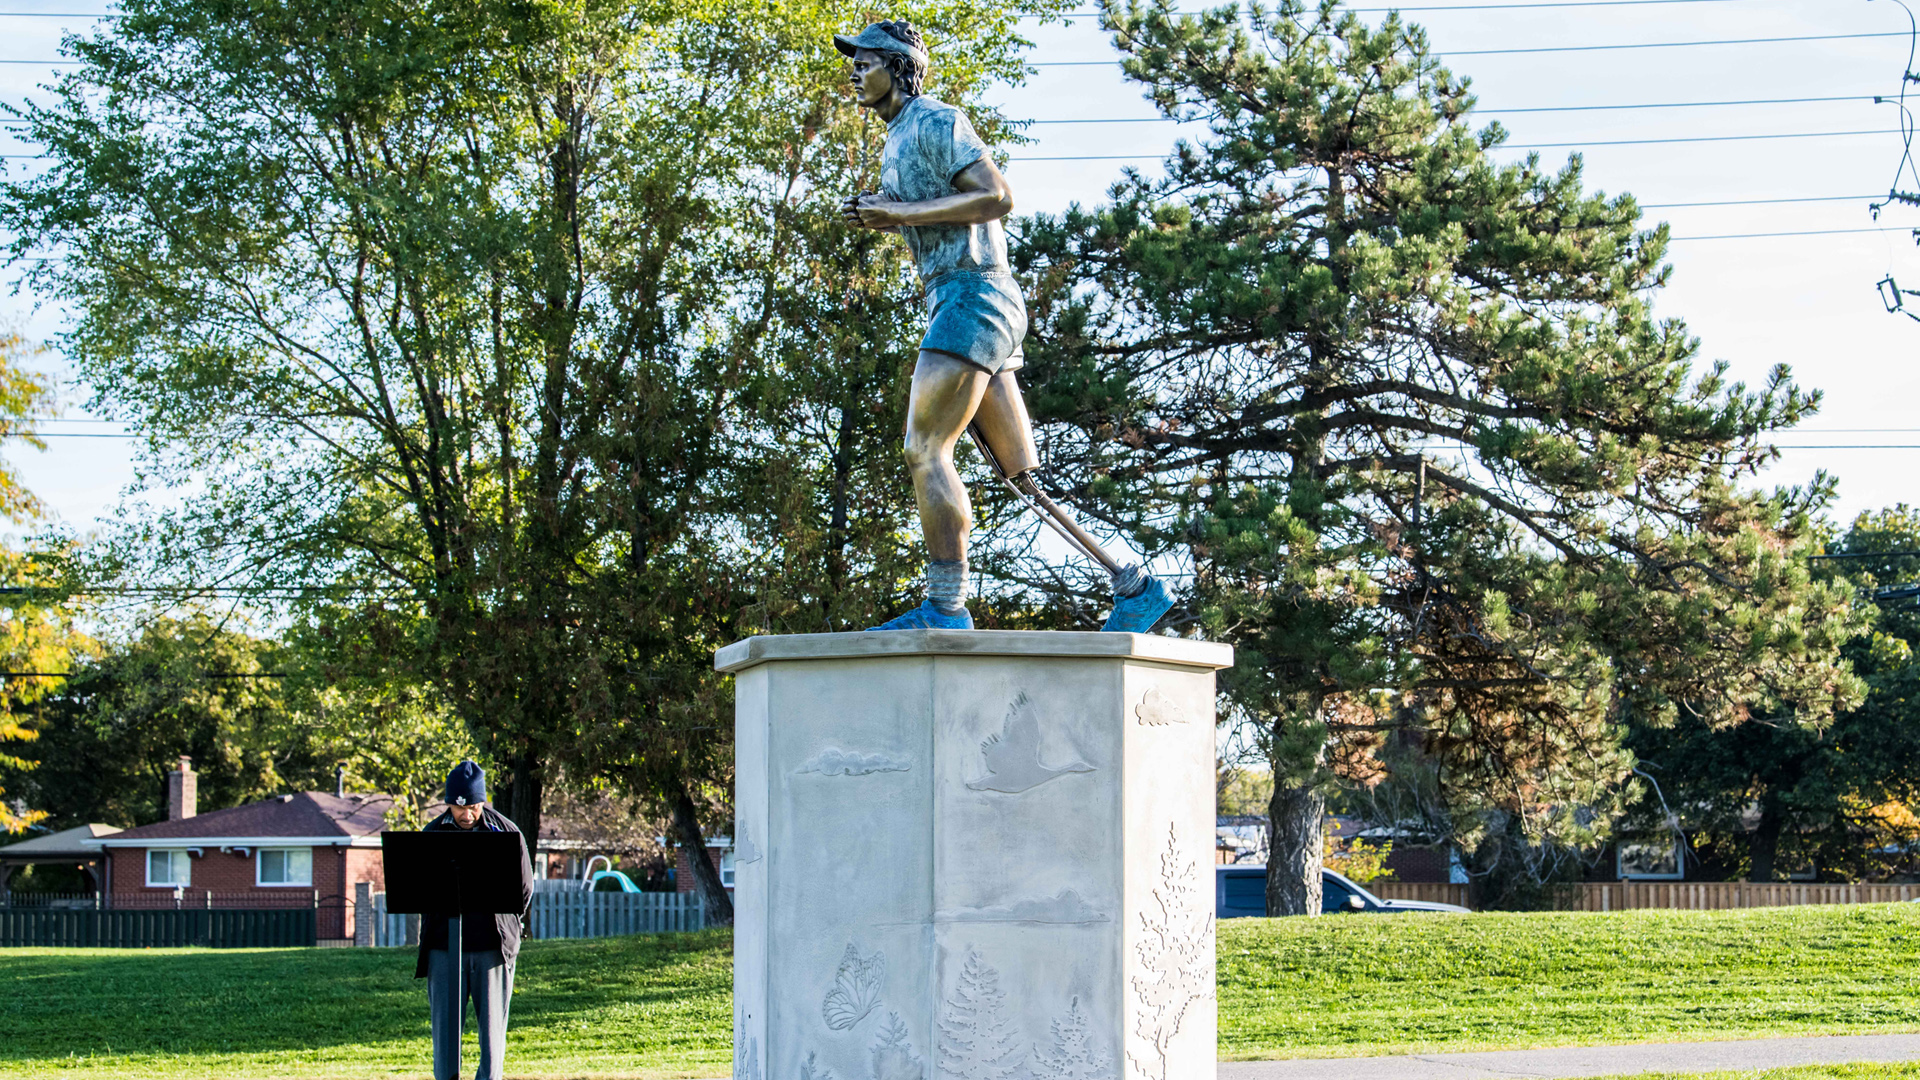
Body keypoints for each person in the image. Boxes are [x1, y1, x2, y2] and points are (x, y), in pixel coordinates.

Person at [836, 19, 1175, 634]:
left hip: (975, 297)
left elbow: (996, 196)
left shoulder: (936, 119)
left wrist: (898, 212)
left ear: (898, 64)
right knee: (1025, 479)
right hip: (962, 301)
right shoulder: (894, 138)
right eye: (853, 62)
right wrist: (885, 216)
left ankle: (944, 608)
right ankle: (1136, 583)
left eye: (865, 60)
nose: (854, 71)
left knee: (924, 447)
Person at [414, 760, 533, 1080]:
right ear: (449, 804)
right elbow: (420, 889)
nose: (467, 816)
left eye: (474, 808)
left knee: (493, 1036)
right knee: (445, 1036)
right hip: (443, 948)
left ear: (484, 801)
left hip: (492, 949)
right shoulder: (432, 833)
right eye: (458, 808)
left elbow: (524, 889)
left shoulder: (507, 833)